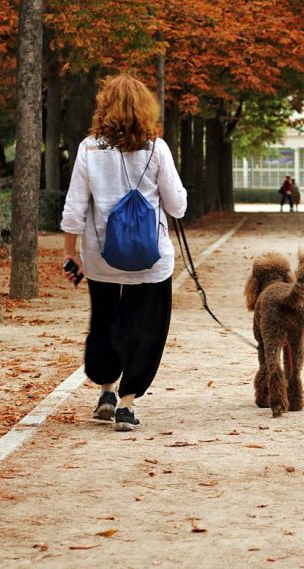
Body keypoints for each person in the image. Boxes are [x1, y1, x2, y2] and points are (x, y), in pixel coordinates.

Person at [60, 74, 187, 432]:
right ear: (146, 108)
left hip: (102, 258)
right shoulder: (156, 149)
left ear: (105, 107)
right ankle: (127, 405)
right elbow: (177, 206)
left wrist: (71, 253)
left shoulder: (89, 149)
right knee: (144, 327)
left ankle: (105, 391)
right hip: (151, 261)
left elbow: (75, 206)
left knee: (105, 322)